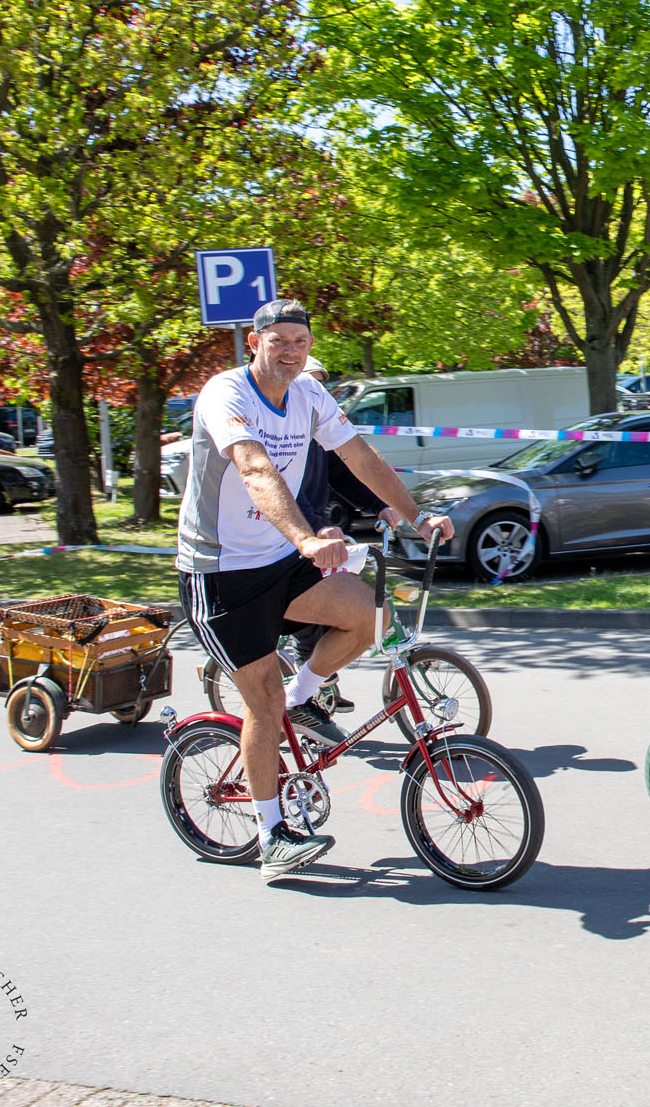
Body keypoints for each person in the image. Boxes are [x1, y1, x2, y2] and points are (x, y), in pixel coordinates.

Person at [177, 298, 454, 881]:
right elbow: (255, 468)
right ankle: (272, 833)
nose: (289, 352)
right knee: (262, 699)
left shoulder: (308, 394)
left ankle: (306, 699)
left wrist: (415, 516)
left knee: (372, 615)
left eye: (298, 342)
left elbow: (359, 456)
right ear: (254, 343)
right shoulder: (224, 393)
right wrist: (306, 540)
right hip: (220, 572)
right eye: (277, 341)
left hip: (278, 559)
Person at [289, 354, 402, 715]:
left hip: (315, 529)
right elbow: (282, 493)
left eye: (322, 382)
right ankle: (302, 688)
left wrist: (380, 505)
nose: (318, 389)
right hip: (288, 533)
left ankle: (318, 678)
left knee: (357, 598)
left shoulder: (318, 432)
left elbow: (345, 472)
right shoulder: (280, 432)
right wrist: (316, 530)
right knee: (313, 607)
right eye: (311, 381)